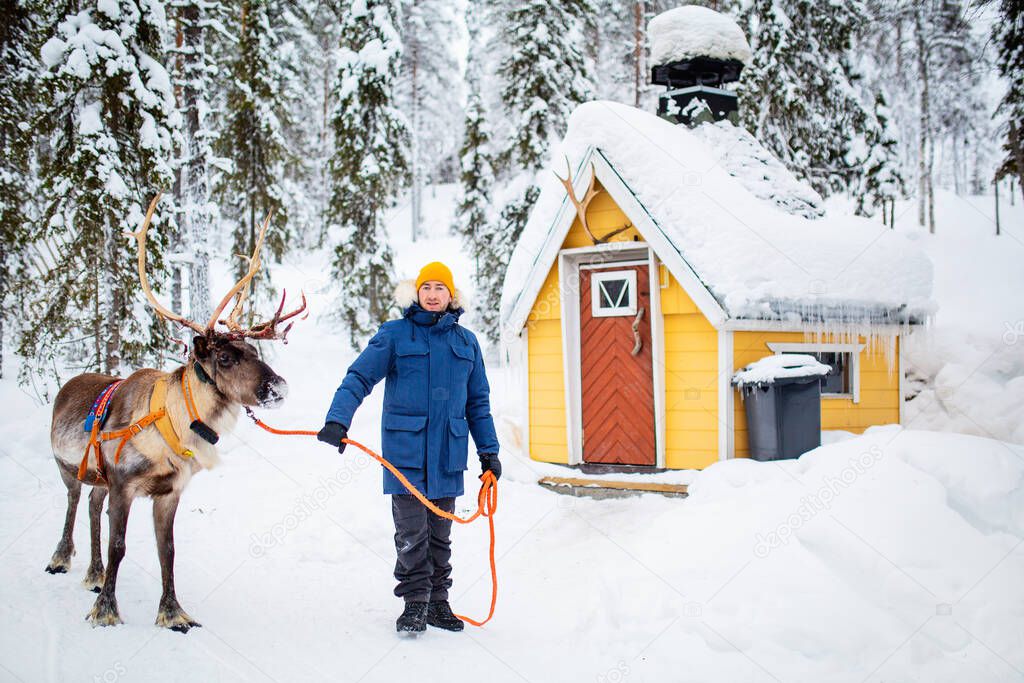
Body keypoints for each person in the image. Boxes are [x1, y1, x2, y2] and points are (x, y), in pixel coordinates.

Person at [317, 261, 501, 635]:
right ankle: (415, 603)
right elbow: (359, 377)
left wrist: (489, 453)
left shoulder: (466, 343)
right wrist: (338, 419)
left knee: (440, 534)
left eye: (441, 288)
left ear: (452, 296)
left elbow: (478, 403)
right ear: (416, 293)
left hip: (448, 454)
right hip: (406, 452)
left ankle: (439, 603)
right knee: (412, 532)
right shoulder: (395, 335)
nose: (433, 294)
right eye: (427, 287)